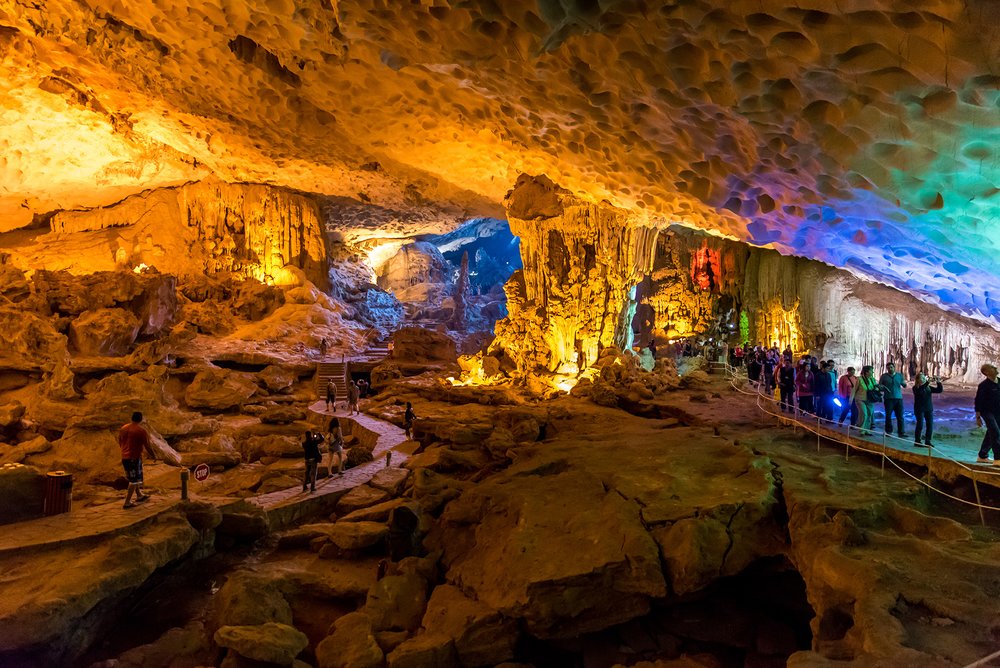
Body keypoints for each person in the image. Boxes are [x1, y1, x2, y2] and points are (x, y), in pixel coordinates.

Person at [119, 411, 154, 509]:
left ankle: (139, 495)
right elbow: (147, 446)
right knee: (133, 481)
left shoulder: (123, 428)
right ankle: (127, 502)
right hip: (134, 458)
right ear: (141, 419)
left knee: (133, 478)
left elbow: (120, 441)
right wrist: (153, 455)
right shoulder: (141, 431)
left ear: (132, 418)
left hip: (125, 457)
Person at [974, 363, 1000, 464]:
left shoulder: (999, 381)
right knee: (995, 432)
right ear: (987, 372)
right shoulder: (983, 386)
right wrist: (978, 416)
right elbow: (978, 400)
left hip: (998, 411)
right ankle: (998, 458)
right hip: (987, 412)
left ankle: (982, 455)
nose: (995, 368)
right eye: (992, 368)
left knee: (991, 433)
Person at [912, 373, 943, 448]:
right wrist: (927, 382)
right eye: (921, 378)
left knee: (930, 425)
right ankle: (917, 441)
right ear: (918, 380)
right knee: (920, 425)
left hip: (928, 408)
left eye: (924, 378)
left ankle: (928, 441)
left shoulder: (928, 387)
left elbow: (939, 390)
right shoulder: (915, 388)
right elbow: (920, 391)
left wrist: (938, 382)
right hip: (919, 409)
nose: (923, 379)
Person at [879, 362, 907, 438]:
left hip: (898, 398)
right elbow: (880, 386)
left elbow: (903, 385)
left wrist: (904, 384)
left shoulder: (899, 375)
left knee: (900, 416)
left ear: (894, 367)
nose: (890, 369)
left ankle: (901, 432)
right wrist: (881, 387)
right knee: (888, 416)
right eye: (888, 368)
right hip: (888, 398)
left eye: (891, 367)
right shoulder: (884, 376)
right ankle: (888, 431)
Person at [851, 366, 877, 436]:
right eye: (871, 371)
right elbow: (854, 390)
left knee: (869, 414)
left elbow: (875, 388)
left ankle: (867, 430)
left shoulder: (872, 380)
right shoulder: (859, 379)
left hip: (869, 400)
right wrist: (851, 400)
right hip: (860, 399)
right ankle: (861, 430)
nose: (872, 372)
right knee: (864, 414)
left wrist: (877, 389)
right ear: (866, 372)